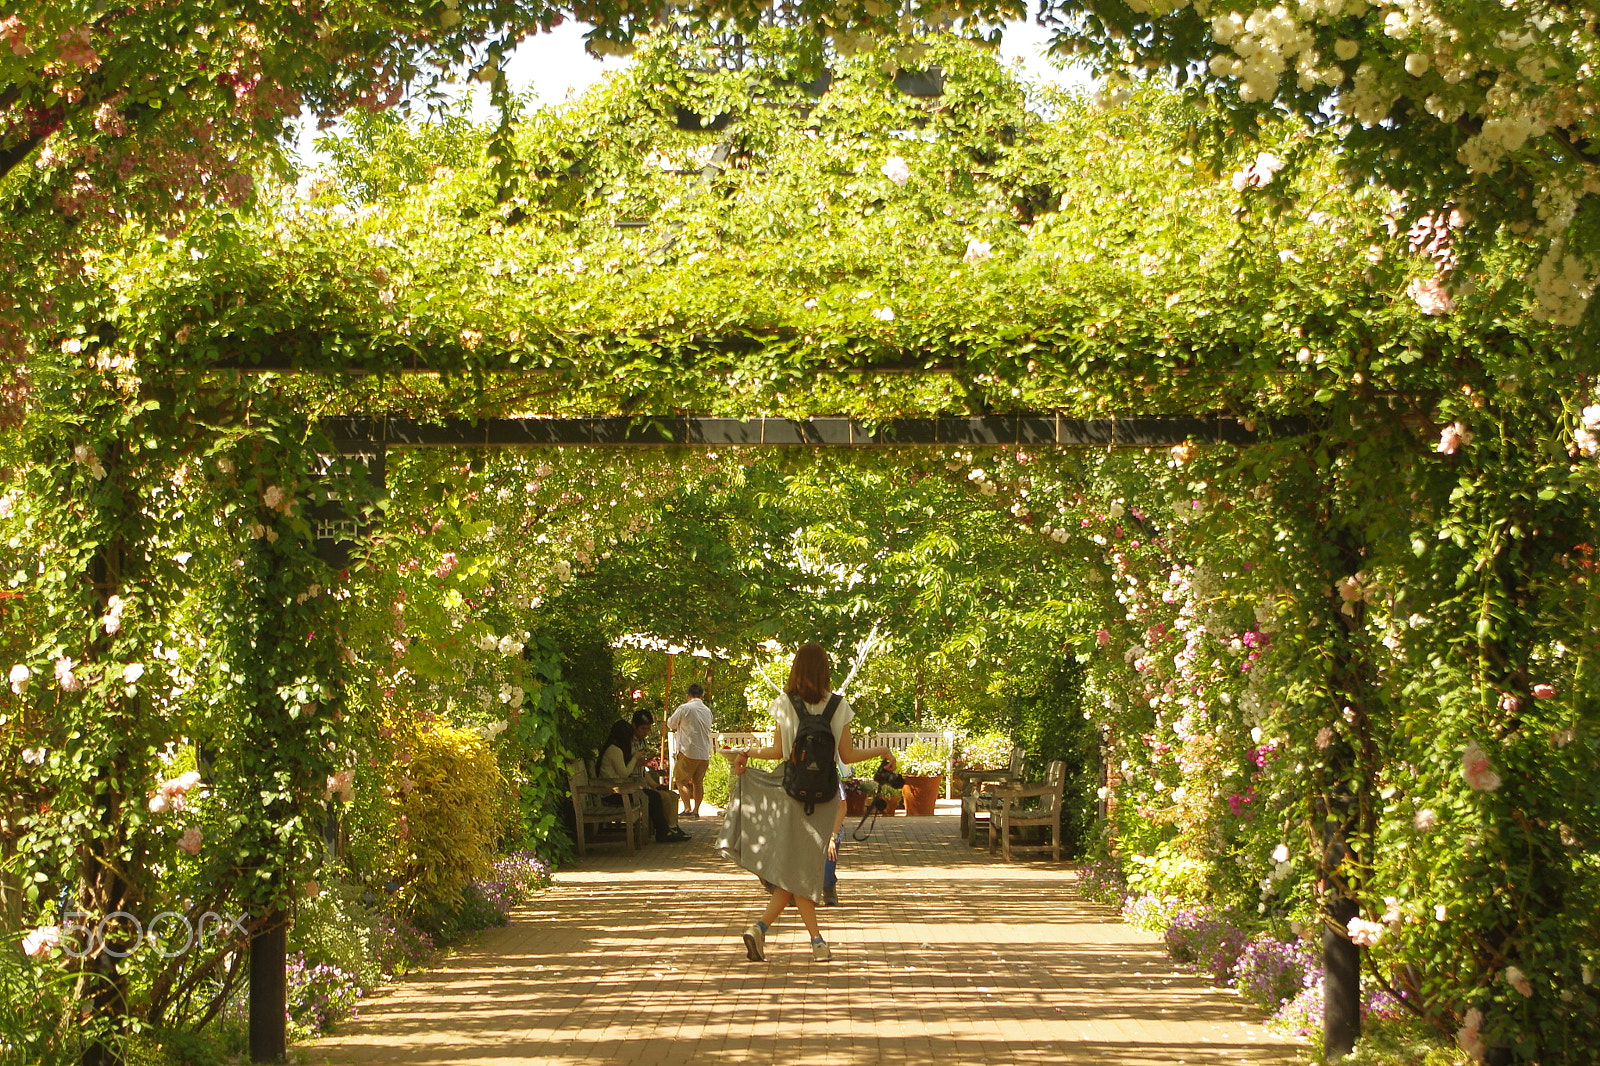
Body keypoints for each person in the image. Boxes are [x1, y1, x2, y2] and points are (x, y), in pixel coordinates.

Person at [721, 642, 896, 962]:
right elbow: (847, 756)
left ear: (797, 669)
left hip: (792, 792)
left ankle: (766, 929)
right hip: (825, 796)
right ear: (825, 669)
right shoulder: (839, 706)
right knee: (804, 869)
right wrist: (882, 751)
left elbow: (777, 752)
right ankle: (811, 940)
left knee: (797, 870)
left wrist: (747, 754)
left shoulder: (784, 704)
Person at [598, 719, 688, 843]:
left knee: (655, 796)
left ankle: (668, 829)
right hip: (613, 793)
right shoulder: (615, 750)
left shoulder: (614, 749)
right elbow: (624, 773)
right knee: (654, 797)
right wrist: (635, 759)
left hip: (619, 789)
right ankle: (663, 832)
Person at [631, 709, 691, 839]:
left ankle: (673, 827)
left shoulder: (642, 742)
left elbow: (642, 771)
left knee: (673, 796)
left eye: (648, 729)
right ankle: (665, 831)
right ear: (634, 725)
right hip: (632, 785)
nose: (645, 732)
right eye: (643, 729)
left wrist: (654, 784)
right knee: (662, 797)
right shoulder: (629, 743)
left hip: (642, 782)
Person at [667, 682, 714, 817]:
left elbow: (671, 723)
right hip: (704, 752)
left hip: (688, 751)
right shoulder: (707, 710)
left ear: (688, 696)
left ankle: (687, 808)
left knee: (680, 780)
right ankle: (696, 810)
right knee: (697, 782)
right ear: (702, 696)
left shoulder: (685, 708)